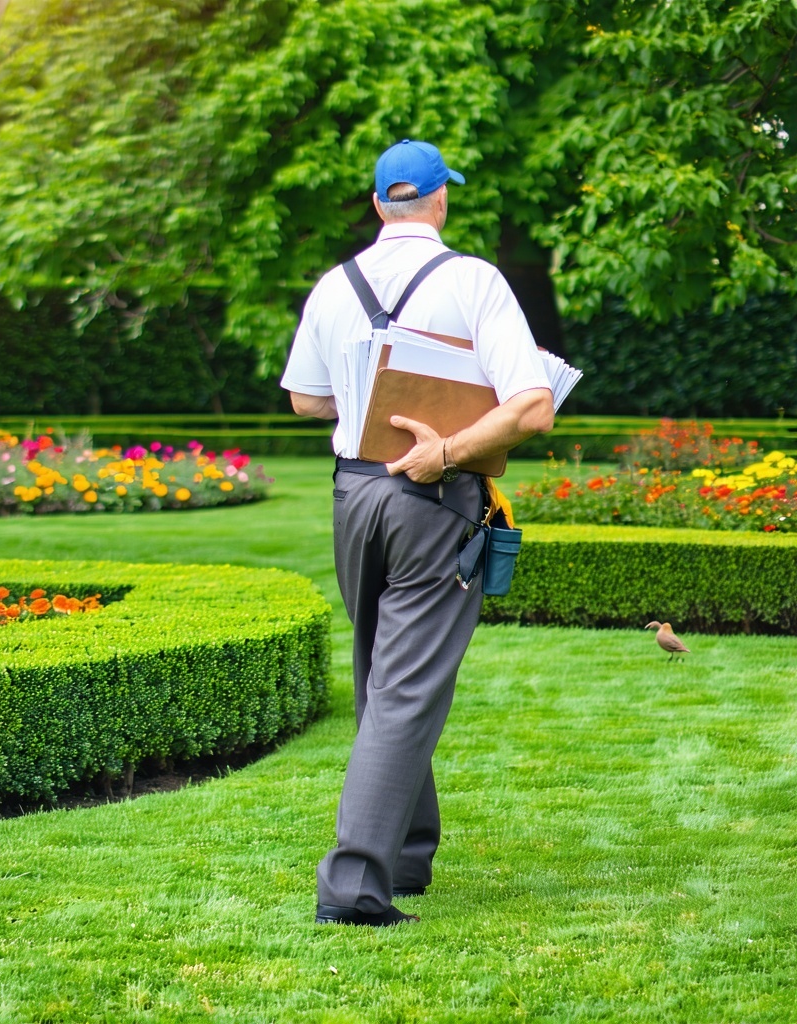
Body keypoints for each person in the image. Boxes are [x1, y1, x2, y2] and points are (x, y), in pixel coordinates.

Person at [280, 139, 555, 927]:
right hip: (431, 499)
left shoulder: (335, 285)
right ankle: (354, 888)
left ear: (378, 205)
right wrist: (445, 447)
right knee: (403, 689)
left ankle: (407, 855)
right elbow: (532, 405)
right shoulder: (473, 280)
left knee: (384, 680)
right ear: (439, 202)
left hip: (353, 499)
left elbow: (306, 400)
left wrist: (370, 389)